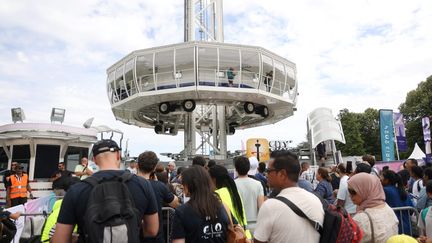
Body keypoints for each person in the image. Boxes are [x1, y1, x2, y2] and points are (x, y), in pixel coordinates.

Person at [52, 139, 159, 242]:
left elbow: (60, 239)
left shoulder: (76, 190)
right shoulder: (143, 184)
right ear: (118, 155)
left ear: (94, 160)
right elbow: (152, 230)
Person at [254, 152, 324, 243]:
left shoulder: (270, 206)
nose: (266, 175)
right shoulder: (315, 201)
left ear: (282, 174)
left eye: (269, 171)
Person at [171, 166, 231, 243]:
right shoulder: (222, 206)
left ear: (191, 184)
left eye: (183, 183)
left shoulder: (182, 211)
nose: (182, 186)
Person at [137, 151, 179, 243]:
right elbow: (175, 202)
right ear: (154, 168)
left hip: (134, 235)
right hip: (155, 237)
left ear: (138, 165)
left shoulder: (128, 184)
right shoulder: (159, 186)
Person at [348, 173, 399, 242]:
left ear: (365, 190)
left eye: (353, 192)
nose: (350, 196)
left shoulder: (361, 219)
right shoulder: (387, 208)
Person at [209, 165, 251, 239]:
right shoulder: (234, 192)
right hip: (243, 235)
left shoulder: (216, 195)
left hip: (231, 237)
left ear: (213, 179)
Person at [234, 156, 265, 233]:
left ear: (236, 169)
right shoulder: (258, 184)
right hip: (255, 225)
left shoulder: (232, 185)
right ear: (248, 168)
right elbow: (261, 207)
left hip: (239, 226)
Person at [381, 170, 414, 234]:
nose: (380, 179)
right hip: (407, 227)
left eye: (381, 176)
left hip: (394, 228)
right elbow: (411, 210)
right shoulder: (403, 191)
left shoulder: (385, 191)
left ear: (387, 180)